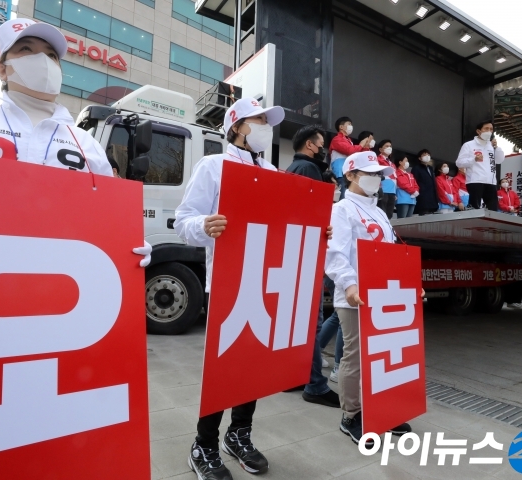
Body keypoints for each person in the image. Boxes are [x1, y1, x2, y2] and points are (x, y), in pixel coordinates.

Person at [176, 98, 332, 479]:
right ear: (237, 126)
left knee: (254, 365)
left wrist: (317, 231)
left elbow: (285, 225)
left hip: (265, 283)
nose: (265, 125)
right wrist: (204, 226)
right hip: (230, 282)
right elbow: (184, 220)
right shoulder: (214, 165)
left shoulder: (273, 172)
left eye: (267, 121)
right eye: (258, 120)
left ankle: (239, 433)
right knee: (223, 367)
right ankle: (204, 443)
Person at [0, 18, 150, 266]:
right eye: (26, 49)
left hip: (59, 276)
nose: (43, 61)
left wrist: (127, 242)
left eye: (52, 55)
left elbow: (108, 215)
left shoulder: (87, 144)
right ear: (1, 68)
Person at [325, 150, 413, 448]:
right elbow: (335, 253)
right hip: (355, 296)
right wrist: (349, 285)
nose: (377, 179)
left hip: (384, 294)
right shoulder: (342, 209)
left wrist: (410, 285)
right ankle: (351, 414)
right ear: (350, 175)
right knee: (356, 356)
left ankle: (382, 408)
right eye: (370, 174)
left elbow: (390, 255)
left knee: (382, 354)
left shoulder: (379, 211)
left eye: (379, 175)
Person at [286, 124, 341, 408]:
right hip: (308, 254)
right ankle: (315, 385)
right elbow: (311, 213)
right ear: (311, 145)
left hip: (296, 253)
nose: (324, 150)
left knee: (299, 322)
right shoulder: (308, 171)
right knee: (310, 322)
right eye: (322, 144)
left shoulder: (292, 168)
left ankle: (297, 375)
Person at [455, 121, 505, 211]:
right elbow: (459, 163)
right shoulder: (468, 145)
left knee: (492, 209)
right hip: (475, 180)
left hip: (491, 182)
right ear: (478, 131)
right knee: (474, 208)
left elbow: (499, 160)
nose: (489, 131)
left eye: (491, 129)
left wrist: (496, 147)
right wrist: (474, 159)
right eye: (486, 129)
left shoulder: (492, 146)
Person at [328, 117, 372, 201]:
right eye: (349, 124)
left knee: (349, 196)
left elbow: (359, 155)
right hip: (340, 172)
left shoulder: (349, 141)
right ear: (341, 127)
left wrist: (366, 147)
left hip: (348, 172)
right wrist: (361, 144)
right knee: (343, 196)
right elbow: (350, 150)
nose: (351, 126)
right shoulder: (337, 139)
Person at [411, 150, 438, 215]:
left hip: (432, 197)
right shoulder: (416, 168)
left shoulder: (430, 168)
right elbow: (414, 182)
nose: (427, 156)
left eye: (428, 155)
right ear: (419, 158)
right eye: (424, 155)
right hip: (422, 197)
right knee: (423, 215)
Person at [375, 140, 397, 219]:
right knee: (382, 211)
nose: (389, 148)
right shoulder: (377, 160)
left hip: (392, 191)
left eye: (390, 146)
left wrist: (395, 192)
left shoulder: (392, 163)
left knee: (389, 213)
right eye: (387, 146)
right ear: (380, 149)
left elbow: (395, 178)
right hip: (383, 189)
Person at [394, 154, 419, 219]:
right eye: (406, 160)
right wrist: (413, 191)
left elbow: (415, 184)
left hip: (412, 199)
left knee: (409, 220)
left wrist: (416, 191)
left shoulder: (410, 174)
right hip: (402, 199)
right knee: (402, 219)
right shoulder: (397, 173)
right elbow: (403, 184)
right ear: (400, 162)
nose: (407, 162)